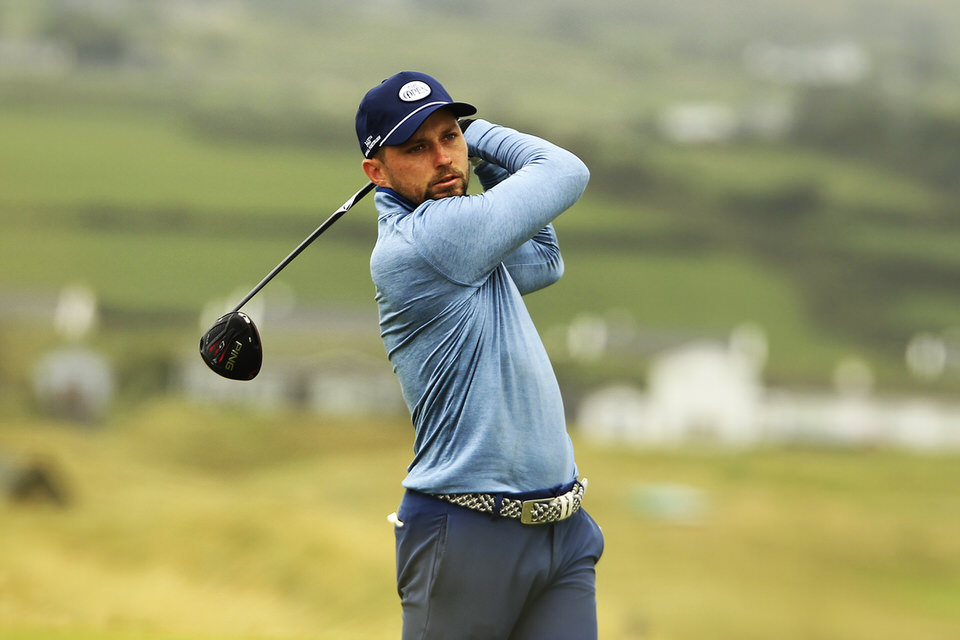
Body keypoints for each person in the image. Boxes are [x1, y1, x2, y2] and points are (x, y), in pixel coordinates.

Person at [356, 71, 603, 640]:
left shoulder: (462, 243)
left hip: (560, 530)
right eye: (417, 147)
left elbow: (543, 258)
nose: (443, 158)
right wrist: (479, 132)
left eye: (449, 137)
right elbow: (566, 171)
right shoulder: (427, 242)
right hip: (467, 530)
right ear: (377, 172)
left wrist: (471, 158)